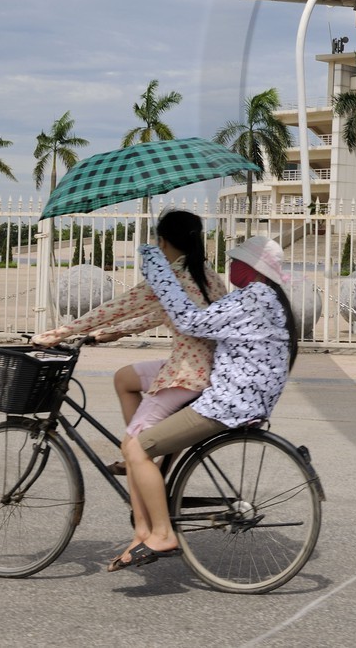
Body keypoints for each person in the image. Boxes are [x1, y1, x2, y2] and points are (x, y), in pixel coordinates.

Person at [108, 234, 299, 571]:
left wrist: (158, 268)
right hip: (242, 399)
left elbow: (190, 322)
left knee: (136, 448)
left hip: (227, 404)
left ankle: (161, 534)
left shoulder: (252, 297)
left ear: (253, 268)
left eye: (237, 261)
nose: (231, 265)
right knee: (143, 433)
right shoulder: (269, 298)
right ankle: (153, 480)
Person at [33, 209, 225, 468]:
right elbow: (161, 314)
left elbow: (115, 308)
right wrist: (116, 332)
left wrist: (58, 334)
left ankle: (142, 462)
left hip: (185, 376)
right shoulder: (208, 275)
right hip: (207, 367)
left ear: (162, 242)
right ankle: (154, 459)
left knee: (134, 449)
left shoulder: (169, 279)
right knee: (124, 378)